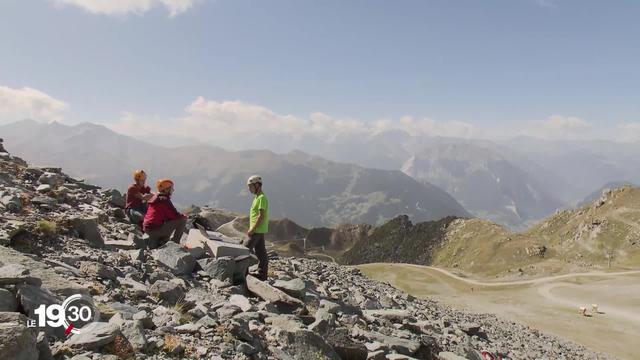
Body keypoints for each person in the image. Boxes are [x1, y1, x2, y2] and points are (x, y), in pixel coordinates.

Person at [142, 179, 187, 249]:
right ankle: (175, 243)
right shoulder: (164, 200)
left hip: (147, 228)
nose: (173, 190)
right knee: (182, 220)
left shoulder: (155, 197)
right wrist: (184, 216)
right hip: (155, 229)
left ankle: (161, 240)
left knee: (168, 221)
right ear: (166, 190)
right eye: (171, 188)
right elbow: (175, 215)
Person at [244, 175, 269, 281]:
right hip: (259, 230)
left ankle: (242, 273)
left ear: (257, 185)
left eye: (250, 186)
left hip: (257, 230)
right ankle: (262, 275)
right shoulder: (257, 197)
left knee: (244, 250)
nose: (249, 189)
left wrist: (252, 229)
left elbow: (261, 215)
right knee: (261, 253)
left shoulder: (262, 198)